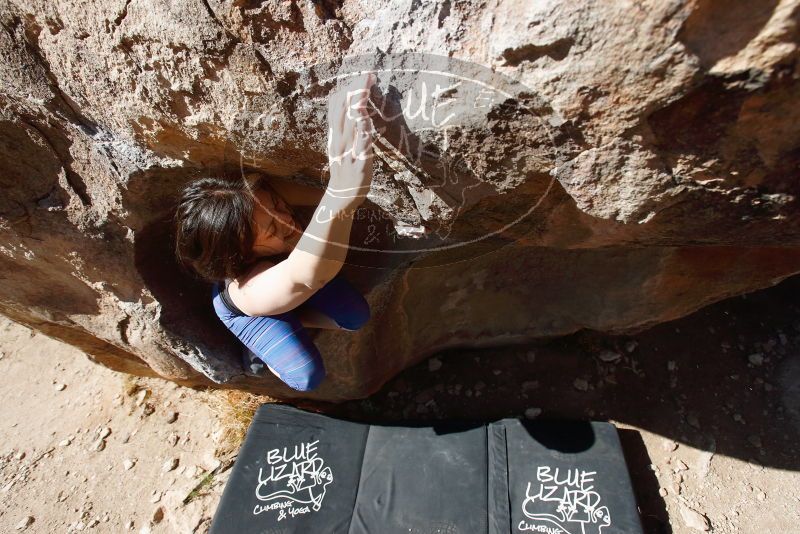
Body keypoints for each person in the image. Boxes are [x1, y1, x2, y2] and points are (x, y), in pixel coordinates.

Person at [173, 72, 377, 391]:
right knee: (306, 376)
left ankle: (295, 313)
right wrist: (343, 192)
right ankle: (260, 350)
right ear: (244, 252)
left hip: (285, 276)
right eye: (271, 226)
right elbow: (309, 274)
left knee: (354, 317)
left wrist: (343, 124)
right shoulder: (249, 291)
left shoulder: (258, 203)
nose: (286, 217)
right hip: (253, 308)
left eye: (277, 205)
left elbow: (317, 190)